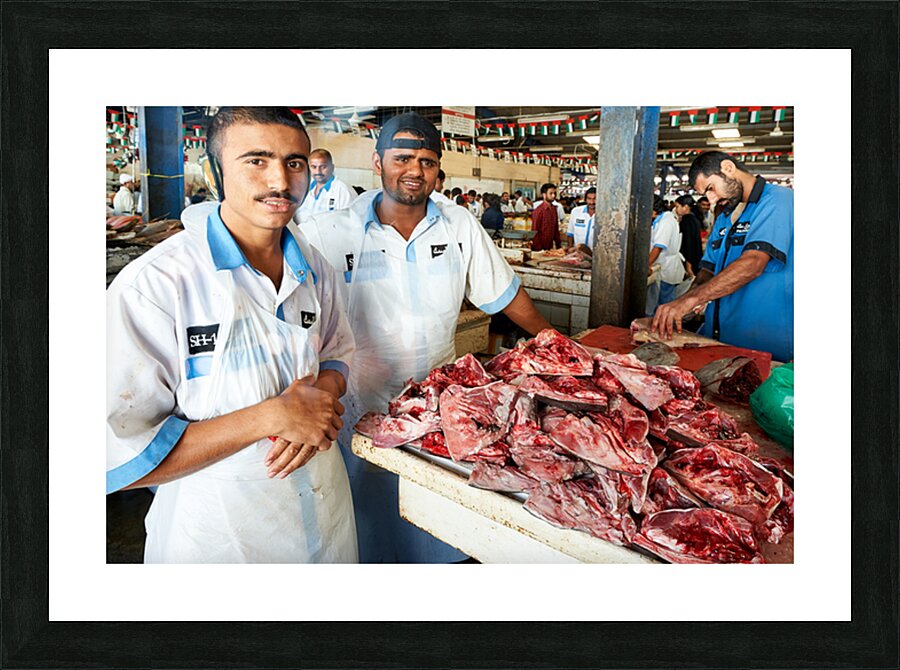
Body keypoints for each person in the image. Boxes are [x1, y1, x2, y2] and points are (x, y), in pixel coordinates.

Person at [300, 111, 553, 563]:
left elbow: (506, 296)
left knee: (439, 530)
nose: (415, 170)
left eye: (427, 160)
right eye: (402, 158)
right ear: (377, 163)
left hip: (441, 415)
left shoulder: (459, 227)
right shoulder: (328, 232)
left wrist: (559, 344)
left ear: (439, 169)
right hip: (360, 411)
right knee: (367, 531)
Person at [109, 107, 357, 563]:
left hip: (325, 518)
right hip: (218, 538)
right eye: (256, 161)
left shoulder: (315, 266)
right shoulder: (156, 286)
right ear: (214, 171)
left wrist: (322, 394)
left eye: (295, 162)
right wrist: (270, 418)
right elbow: (116, 457)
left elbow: (338, 352)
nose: (280, 181)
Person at [652, 151, 794, 362]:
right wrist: (681, 306)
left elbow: (753, 263)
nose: (711, 199)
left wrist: (692, 299)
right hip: (720, 339)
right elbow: (707, 270)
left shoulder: (778, 201)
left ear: (728, 168)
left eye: (710, 188)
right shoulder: (725, 215)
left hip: (766, 343)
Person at [646, 194, 684, 316]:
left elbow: (658, 247)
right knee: (658, 302)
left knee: (664, 304)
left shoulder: (666, 221)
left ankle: (662, 330)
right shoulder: (660, 220)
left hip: (666, 267)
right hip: (662, 265)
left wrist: (646, 265)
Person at [294, 148, 356, 222]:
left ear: (332, 168)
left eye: (323, 167)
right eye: (314, 167)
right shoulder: (304, 188)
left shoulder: (343, 191)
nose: (318, 171)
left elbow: (350, 224)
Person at [673, 194, 703, 276]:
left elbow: (688, 243)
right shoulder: (693, 219)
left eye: (677, 206)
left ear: (685, 207)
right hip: (696, 258)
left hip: (689, 261)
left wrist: (688, 265)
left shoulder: (687, 221)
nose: (675, 209)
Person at [530, 182, 562, 251]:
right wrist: (539, 249)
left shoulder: (554, 209)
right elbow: (534, 232)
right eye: (551, 193)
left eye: (554, 193)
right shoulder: (538, 211)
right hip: (539, 249)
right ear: (544, 195)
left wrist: (559, 246)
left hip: (549, 248)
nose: (553, 196)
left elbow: (556, 229)